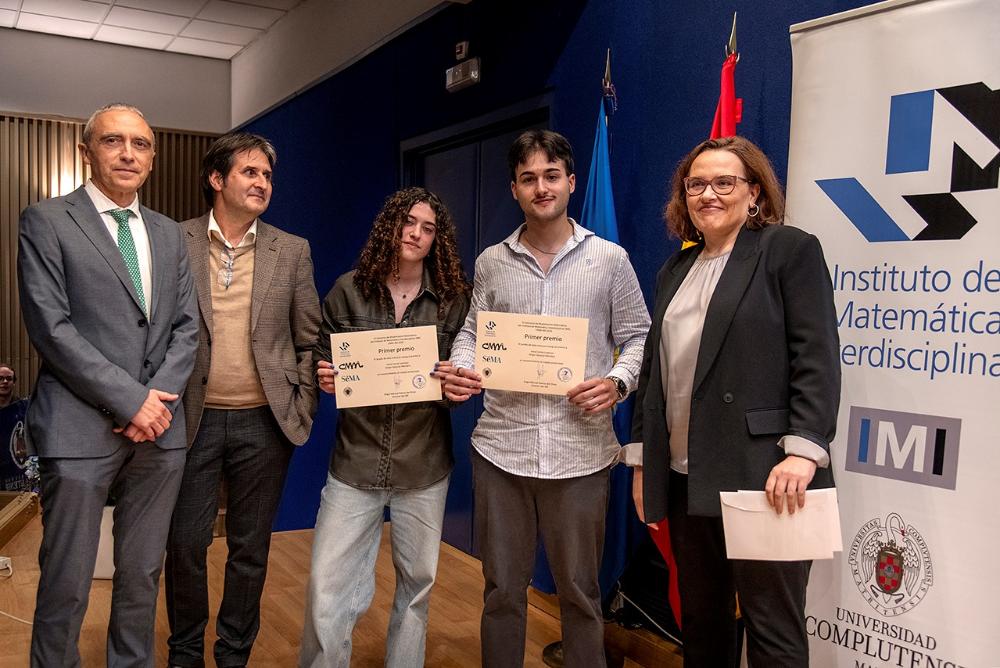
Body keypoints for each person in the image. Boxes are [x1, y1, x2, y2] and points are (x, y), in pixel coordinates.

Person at [440, 130, 650, 667]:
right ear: (514, 188)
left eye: (551, 175)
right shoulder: (491, 261)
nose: (541, 187)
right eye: (529, 178)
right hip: (501, 453)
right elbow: (472, 330)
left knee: (580, 595)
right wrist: (463, 365)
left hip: (580, 456)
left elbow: (640, 336)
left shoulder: (609, 260)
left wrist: (617, 383)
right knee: (502, 592)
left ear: (571, 182)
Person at [629, 136, 840, 667]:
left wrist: (804, 449)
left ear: (754, 194)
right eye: (696, 184)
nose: (708, 194)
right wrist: (641, 460)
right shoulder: (674, 271)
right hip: (685, 477)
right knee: (702, 622)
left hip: (766, 472)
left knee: (773, 628)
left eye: (725, 182)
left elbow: (815, 354)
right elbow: (655, 373)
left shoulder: (788, 249)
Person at [17, 102, 199, 667]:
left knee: (142, 576)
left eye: (140, 144)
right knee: (66, 583)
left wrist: (155, 404)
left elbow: (187, 328)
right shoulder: (46, 221)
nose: (128, 153)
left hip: (160, 434)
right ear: (86, 150)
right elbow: (51, 327)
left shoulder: (170, 236)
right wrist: (130, 400)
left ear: (152, 158)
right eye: (113, 141)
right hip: (78, 430)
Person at [164, 132, 321, 668]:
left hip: (264, 423)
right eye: (250, 172)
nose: (261, 184)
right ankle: (184, 653)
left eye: (267, 176)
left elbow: (309, 336)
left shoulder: (291, 249)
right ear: (217, 179)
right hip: (190, 420)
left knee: (250, 550)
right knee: (184, 546)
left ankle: (234, 655)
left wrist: (301, 404)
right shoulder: (174, 241)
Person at [298, 187, 470, 668]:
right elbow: (319, 353)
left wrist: (457, 385)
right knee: (326, 585)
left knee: (417, 588)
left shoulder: (455, 299)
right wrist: (324, 373)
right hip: (356, 460)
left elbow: (465, 370)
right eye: (408, 222)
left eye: (428, 228)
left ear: (438, 239)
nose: (416, 234)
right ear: (390, 227)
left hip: (424, 464)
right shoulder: (347, 289)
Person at [0, 363, 33, 492]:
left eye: (9, 378)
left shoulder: (24, 410)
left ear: (14, 383)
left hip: (16, 476)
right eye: (1, 378)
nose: (5, 382)